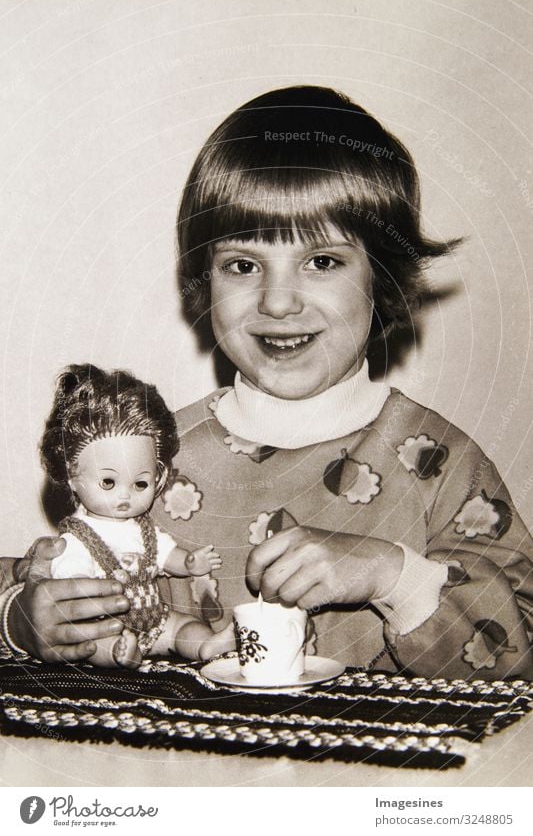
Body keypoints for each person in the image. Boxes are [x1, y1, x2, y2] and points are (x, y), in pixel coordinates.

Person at [2, 86, 532, 679]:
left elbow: (519, 651)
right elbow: (44, 579)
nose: (277, 302)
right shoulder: (148, 455)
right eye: (243, 265)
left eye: (323, 261)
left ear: (383, 279)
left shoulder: (439, 463)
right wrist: (22, 621)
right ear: (204, 282)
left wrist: (394, 574)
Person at [2, 364, 233, 667]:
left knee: (183, 627)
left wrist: (190, 562)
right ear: (72, 476)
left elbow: (166, 556)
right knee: (94, 640)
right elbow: (69, 581)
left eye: (140, 484)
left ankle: (206, 645)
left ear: (159, 476)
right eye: (108, 482)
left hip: (156, 617)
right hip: (107, 621)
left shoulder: (145, 531)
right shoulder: (77, 539)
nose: (125, 496)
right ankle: (117, 654)